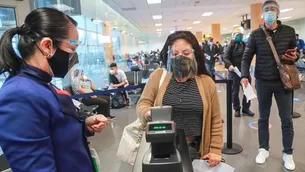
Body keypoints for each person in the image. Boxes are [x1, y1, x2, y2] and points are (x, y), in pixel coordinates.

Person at [0, 8, 108, 171]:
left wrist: (83, 125)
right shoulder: (19, 95)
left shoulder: (42, 83)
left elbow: (53, 128)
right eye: (72, 49)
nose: (74, 57)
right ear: (47, 45)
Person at [137, 31, 223, 167]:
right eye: (175, 54)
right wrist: (149, 113)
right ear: (169, 56)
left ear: (195, 54)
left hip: (197, 150)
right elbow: (143, 104)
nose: (180, 57)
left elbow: (215, 119)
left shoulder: (206, 82)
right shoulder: (158, 76)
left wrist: (216, 149)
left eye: (186, 53)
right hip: (163, 147)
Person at [241, 0, 297, 170]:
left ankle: (288, 153)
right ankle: (263, 149)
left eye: (273, 10)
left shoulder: (289, 31)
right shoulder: (256, 34)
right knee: (262, 118)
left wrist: (293, 56)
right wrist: (244, 75)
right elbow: (246, 56)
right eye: (267, 10)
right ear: (262, 13)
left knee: (286, 119)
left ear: (278, 13)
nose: (270, 13)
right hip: (263, 82)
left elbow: (295, 55)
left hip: (283, 83)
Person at [224, 26, 255, 117]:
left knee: (247, 90)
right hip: (234, 72)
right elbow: (225, 57)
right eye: (238, 35)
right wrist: (229, 65)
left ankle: (246, 109)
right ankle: (237, 109)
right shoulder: (231, 45)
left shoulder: (245, 45)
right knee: (235, 91)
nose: (240, 37)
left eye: (241, 35)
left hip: (244, 71)